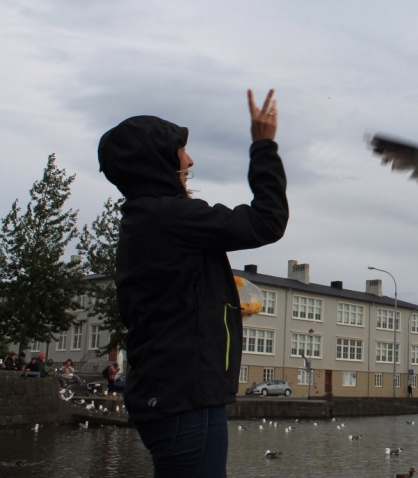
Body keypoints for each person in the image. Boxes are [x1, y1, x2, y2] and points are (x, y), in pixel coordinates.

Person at [98, 89, 289, 477]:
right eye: (180, 150)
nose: (189, 159)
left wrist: (221, 296)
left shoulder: (144, 220)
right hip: (186, 399)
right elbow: (267, 221)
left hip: (167, 396)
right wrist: (264, 144)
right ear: (157, 160)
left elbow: (170, 301)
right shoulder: (169, 215)